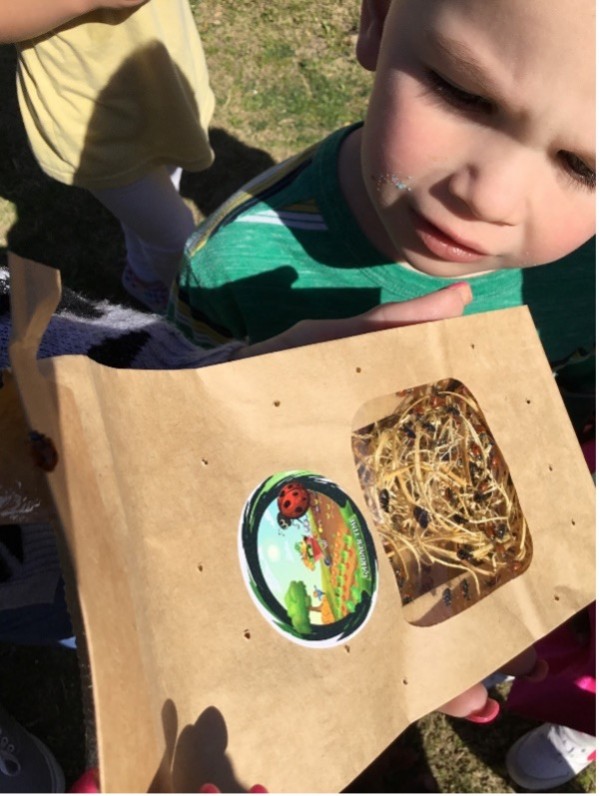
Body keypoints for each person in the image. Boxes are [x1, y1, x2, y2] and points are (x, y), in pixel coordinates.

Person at [166, 0, 595, 757]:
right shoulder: (233, 267)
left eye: (583, 167)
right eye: (463, 92)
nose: (489, 195)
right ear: (376, 18)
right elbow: (191, 446)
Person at [2, 0, 215, 313]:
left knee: (161, 192)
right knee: (176, 237)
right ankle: (192, 313)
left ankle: (145, 280)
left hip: (162, 79)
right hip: (94, 117)